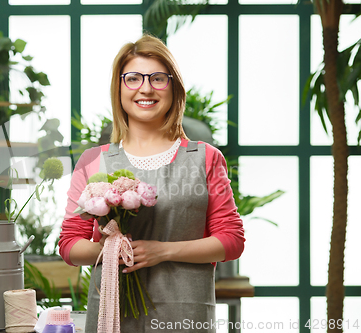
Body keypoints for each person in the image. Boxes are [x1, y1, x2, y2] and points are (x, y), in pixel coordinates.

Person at [58, 33, 245, 333]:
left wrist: (163, 250)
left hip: (185, 315)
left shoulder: (206, 158)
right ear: (119, 88)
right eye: (133, 78)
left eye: (158, 78)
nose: (146, 88)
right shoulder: (93, 161)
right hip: (113, 314)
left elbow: (232, 241)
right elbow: (69, 244)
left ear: (174, 88)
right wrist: (111, 250)